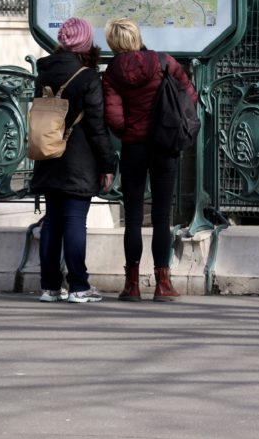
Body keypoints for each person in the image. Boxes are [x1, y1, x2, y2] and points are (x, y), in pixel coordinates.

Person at [102, 18, 197, 302]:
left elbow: (114, 117)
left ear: (113, 42)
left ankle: (131, 285)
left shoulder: (112, 72)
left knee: (132, 218)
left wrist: (129, 130)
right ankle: (163, 283)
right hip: (164, 146)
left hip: (134, 148)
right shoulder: (164, 62)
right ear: (136, 36)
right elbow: (189, 96)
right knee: (161, 216)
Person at [30, 17, 115, 304]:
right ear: (86, 43)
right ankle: (79, 285)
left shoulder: (43, 74)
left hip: (47, 155)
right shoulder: (88, 77)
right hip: (79, 161)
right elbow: (96, 126)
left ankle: (49, 287)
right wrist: (108, 165)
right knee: (75, 221)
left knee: (52, 221)